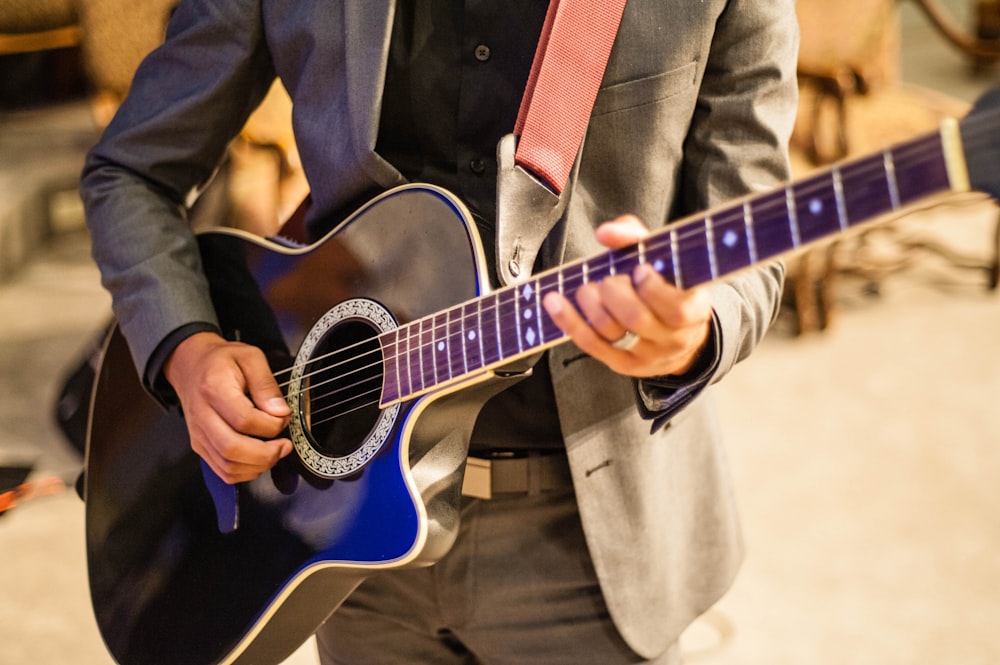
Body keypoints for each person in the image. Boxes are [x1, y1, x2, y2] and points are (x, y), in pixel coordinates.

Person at [80, 1, 799, 663]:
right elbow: (130, 170)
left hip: (593, 536)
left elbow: (753, 231)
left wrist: (694, 332)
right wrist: (185, 345)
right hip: (345, 521)